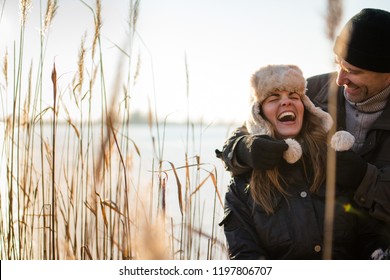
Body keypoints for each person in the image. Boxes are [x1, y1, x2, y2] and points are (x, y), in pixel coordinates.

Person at [216, 8, 390, 224]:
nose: (340, 80)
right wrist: (245, 149)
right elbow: (241, 136)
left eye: (353, 71)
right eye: (338, 65)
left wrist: (364, 178)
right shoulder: (312, 91)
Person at [218, 64, 390, 259]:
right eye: (274, 98)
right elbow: (245, 256)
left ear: (307, 107)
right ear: (260, 114)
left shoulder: (334, 164)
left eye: (294, 96)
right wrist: (245, 147)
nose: (286, 102)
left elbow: (369, 235)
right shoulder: (242, 187)